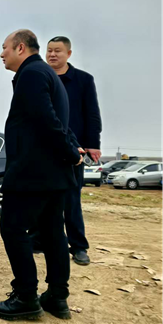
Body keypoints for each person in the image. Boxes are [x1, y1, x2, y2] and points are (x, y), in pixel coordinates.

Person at [0, 29, 83, 321]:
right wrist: (70, 150)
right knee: (53, 233)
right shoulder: (45, 74)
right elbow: (58, 122)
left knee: (13, 229)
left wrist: (71, 153)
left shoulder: (32, 74)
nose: (1, 54)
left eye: (5, 48)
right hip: (52, 175)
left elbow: (47, 122)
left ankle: (26, 297)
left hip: (32, 173)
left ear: (20, 48)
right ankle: (57, 297)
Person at [44, 36, 102, 265]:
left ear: (68, 54)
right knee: (42, 196)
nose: (52, 54)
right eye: (49, 50)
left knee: (71, 199)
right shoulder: (39, 77)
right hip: (44, 148)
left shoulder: (83, 80)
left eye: (57, 50)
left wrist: (93, 144)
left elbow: (92, 113)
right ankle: (38, 239)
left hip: (73, 150)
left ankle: (78, 245)